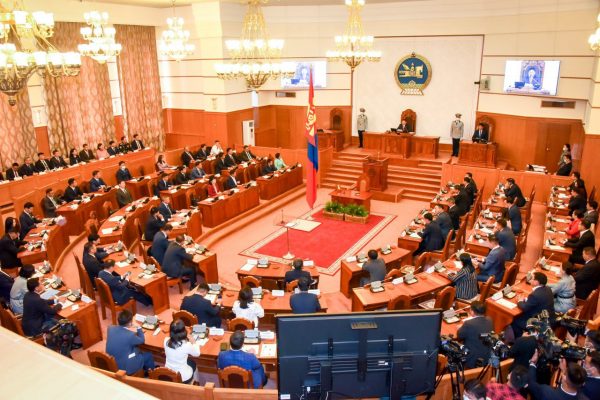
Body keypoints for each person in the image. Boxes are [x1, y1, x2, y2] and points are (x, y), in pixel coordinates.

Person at [106, 310, 155, 376]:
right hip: (125, 367)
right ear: (130, 323)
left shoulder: (110, 328)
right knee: (148, 355)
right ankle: (151, 374)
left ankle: (144, 366)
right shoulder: (130, 335)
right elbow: (142, 340)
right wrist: (139, 327)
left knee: (137, 349)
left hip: (112, 361)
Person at [511, 272, 554, 338]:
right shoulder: (548, 288)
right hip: (549, 318)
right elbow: (537, 301)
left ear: (536, 282)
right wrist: (526, 299)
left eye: (532, 278)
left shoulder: (535, 295)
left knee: (515, 320)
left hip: (539, 323)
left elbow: (524, 308)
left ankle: (521, 339)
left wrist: (519, 301)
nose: (530, 280)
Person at [457, 301, 493, 369]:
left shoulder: (469, 323)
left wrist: (460, 328)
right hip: (486, 355)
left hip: (472, 358)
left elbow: (460, 336)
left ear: (472, 312)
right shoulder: (489, 320)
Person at [164, 319, 201, 384]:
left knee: (189, 362)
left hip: (168, 373)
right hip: (183, 378)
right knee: (193, 363)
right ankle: (196, 384)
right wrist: (194, 342)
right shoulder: (186, 345)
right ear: (184, 331)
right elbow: (197, 353)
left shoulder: (166, 340)